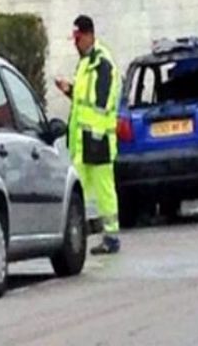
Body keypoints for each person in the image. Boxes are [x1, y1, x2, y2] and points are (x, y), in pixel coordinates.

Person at [55, 15, 121, 255]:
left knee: (104, 189)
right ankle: (79, 237)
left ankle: (111, 236)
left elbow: (101, 104)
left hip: (98, 139)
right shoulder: (85, 62)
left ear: (90, 35)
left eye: (79, 38)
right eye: (74, 39)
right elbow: (85, 101)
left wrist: (95, 132)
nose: (76, 43)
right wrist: (69, 90)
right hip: (84, 141)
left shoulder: (101, 63)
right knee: (80, 189)